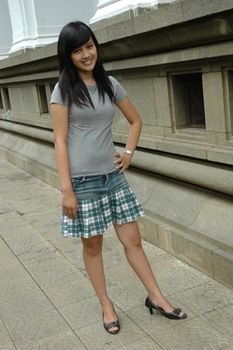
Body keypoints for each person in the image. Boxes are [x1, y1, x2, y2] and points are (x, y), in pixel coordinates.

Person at [50, 21, 187, 335]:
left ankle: (156, 297)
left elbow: (135, 120)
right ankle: (106, 305)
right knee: (94, 247)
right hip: (82, 182)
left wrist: (128, 153)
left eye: (89, 46)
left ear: (96, 45)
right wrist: (66, 190)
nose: (86, 54)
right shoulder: (64, 89)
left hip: (113, 177)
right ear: (67, 56)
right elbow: (60, 140)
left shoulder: (110, 84)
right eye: (77, 50)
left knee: (133, 242)